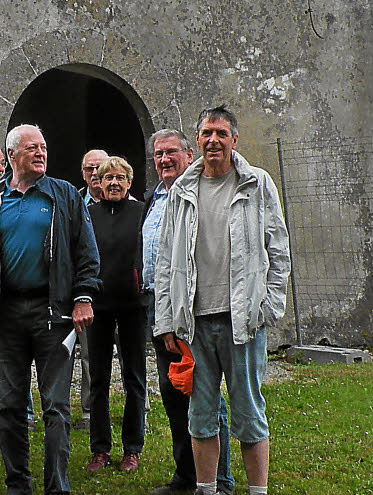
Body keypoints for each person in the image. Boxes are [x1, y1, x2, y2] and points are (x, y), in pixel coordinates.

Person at [155, 107, 291, 495]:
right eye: (206, 133)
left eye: (221, 133)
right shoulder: (181, 189)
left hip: (242, 320)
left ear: (234, 140)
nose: (213, 140)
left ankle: (256, 491)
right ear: (197, 140)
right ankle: (206, 489)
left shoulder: (256, 183)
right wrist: (166, 320)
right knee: (200, 417)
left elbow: (277, 250)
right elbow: (166, 259)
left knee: (248, 413)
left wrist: (269, 307)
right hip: (195, 323)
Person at [0, 124, 101, 495]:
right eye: (31, 148)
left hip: (52, 314)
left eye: (43, 147)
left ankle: (57, 487)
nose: (41, 153)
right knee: (8, 406)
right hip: (5, 317)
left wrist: (83, 296)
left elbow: (86, 252)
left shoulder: (64, 195)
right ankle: (18, 485)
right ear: (11, 156)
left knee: (56, 405)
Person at [144, 129, 235, 495]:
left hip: (193, 309)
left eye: (170, 153)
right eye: (157, 155)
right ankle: (187, 476)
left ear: (187, 153)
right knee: (173, 391)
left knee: (206, 395)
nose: (164, 160)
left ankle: (220, 480)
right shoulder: (155, 199)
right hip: (159, 306)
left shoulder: (197, 191)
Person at [83, 156, 148, 473]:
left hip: (133, 306)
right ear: (98, 182)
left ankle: (132, 449)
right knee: (98, 380)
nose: (113, 183)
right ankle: (100, 449)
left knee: (134, 378)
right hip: (98, 306)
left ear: (129, 182)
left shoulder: (141, 212)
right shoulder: (88, 214)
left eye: (120, 178)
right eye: (107, 177)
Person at [72, 149, 108, 429]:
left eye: (100, 168)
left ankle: (140, 410)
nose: (94, 174)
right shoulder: (74, 203)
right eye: (89, 169)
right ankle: (88, 412)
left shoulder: (127, 202)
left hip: (119, 289)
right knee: (88, 354)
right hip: (87, 291)